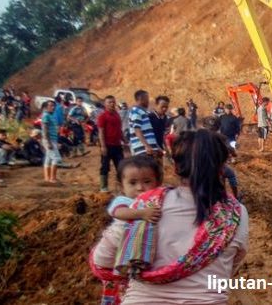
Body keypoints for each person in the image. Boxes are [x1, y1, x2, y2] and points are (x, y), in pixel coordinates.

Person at [92, 129, 248, 305]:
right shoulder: (235, 213)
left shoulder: (146, 204)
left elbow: (102, 260)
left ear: (175, 167)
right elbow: (231, 265)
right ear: (222, 168)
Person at [91, 156, 163, 305]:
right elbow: (119, 213)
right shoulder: (124, 201)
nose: (140, 187)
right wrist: (142, 214)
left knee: (125, 289)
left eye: (147, 182)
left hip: (130, 257)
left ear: (158, 183)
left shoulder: (155, 201)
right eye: (132, 183)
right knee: (118, 286)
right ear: (122, 186)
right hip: (112, 255)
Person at [98, 95, 125, 193]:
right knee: (105, 166)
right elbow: (101, 132)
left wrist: (125, 140)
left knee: (121, 166)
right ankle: (103, 187)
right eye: (109, 102)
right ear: (105, 104)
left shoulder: (117, 115)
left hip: (117, 145)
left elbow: (119, 130)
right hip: (107, 145)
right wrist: (103, 146)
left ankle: (122, 187)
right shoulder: (102, 116)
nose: (112, 104)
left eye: (113, 102)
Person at [41, 100, 63, 184]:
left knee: (48, 159)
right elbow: (45, 129)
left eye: (53, 106)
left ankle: (47, 178)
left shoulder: (50, 115)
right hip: (49, 140)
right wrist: (49, 142)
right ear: (46, 107)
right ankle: (52, 178)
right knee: (56, 158)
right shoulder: (46, 115)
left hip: (52, 139)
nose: (53, 107)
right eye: (50, 106)